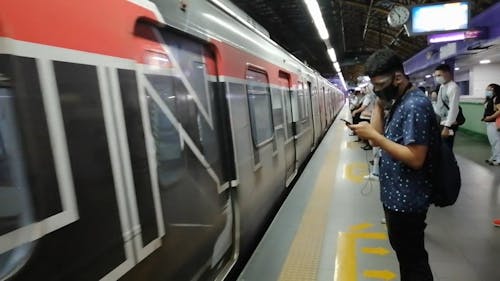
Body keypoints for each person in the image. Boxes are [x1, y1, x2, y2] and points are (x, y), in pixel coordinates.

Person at [349, 49, 437, 281]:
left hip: (407, 199)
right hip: (397, 196)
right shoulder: (399, 101)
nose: (377, 89)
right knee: (406, 256)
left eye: (379, 84)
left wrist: (375, 137)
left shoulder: (414, 105)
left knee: (413, 260)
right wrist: (378, 105)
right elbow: (376, 137)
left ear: (398, 77)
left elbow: (416, 158)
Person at [434, 64, 461, 150]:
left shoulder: (453, 87)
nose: (437, 78)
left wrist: (447, 127)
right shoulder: (442, 86)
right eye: (436, 76)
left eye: (439, 75)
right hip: (441, 122)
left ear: (447, 73)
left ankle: (450, 163)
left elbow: (453, 108)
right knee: (441, 148)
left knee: (447, 148)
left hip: (448, 124)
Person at [481, 83, 500, 166]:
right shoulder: (490, 99)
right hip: (489, 123)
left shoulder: (497, 98)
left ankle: (499, 159)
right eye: (487, 89)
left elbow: (499, 110)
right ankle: (494, 157)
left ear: (495, 91)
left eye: (490, 89)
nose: (488, 91)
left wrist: (490, 117)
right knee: (493, 141)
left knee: (497, 141)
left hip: (493, 123)